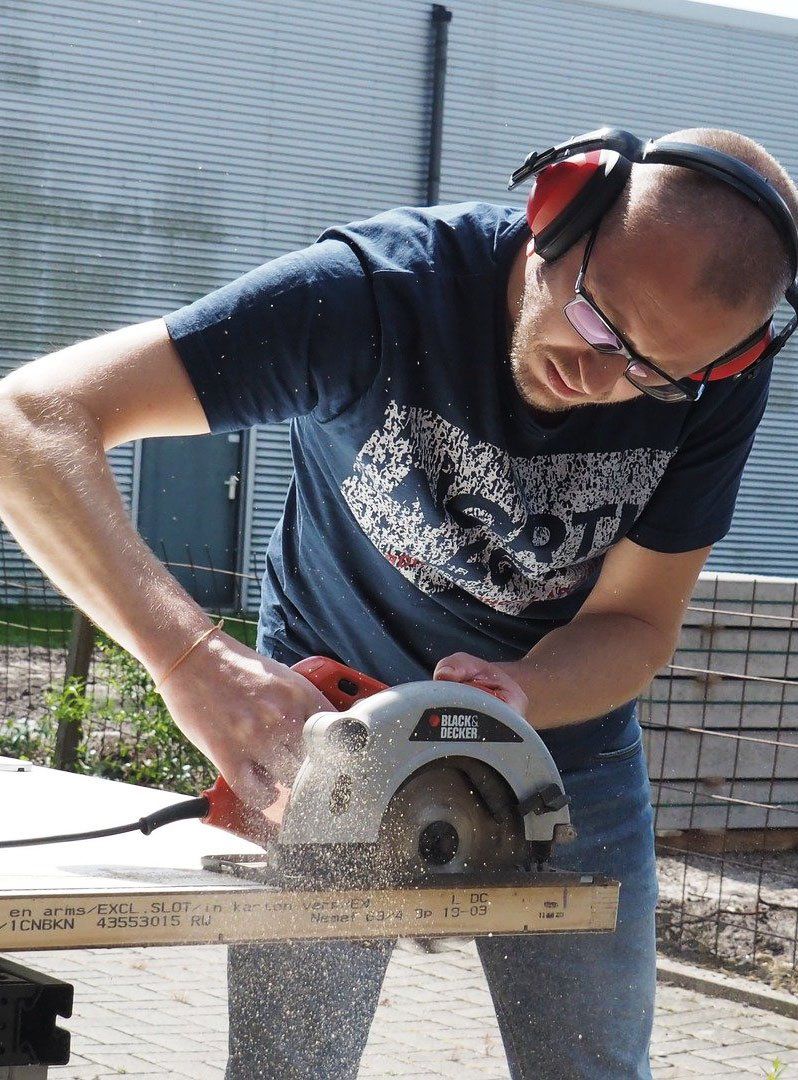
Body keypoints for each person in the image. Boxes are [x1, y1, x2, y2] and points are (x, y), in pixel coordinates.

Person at [1, 125, 797, 1079]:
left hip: (558, 745)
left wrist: (523, 693)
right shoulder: (375, 295)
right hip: (334, 731)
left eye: (651, 371)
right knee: (289, 1067)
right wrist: (190, 660)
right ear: (556, 210)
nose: (599, 378)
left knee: (591, 1066)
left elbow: (636, 624)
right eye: (596, 318)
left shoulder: (708, 388)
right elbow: (29, 420)